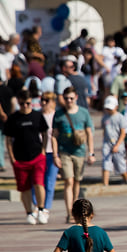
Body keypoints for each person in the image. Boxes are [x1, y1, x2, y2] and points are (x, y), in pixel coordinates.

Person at [4, 89, 49, 225]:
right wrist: (12, 158)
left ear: (31, 102)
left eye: (28, 103)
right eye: (22, 103)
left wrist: (43, 151)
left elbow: (45, 133)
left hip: (37, 156)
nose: (25, 106)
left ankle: (41, 209)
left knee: (38, 183)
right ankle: (29, 212)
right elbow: (8, 139)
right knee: (24, 187)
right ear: (18, 102)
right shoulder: (12, 118)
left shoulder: (37, 116)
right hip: (20, 159)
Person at [53, 87, 94, 222]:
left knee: (76, 181)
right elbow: (54, 136)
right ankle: (70, 213)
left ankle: (74, 210)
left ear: (76, 97)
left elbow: (89, 133)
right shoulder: (59, 114)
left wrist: (91, 153)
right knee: (68, 181)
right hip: (65, 151)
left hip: (80, 152)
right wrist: (55, 155)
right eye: (66, 99)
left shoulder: (83, 113)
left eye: (71, 98)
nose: (69, 101)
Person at [100, 95, 127, 186]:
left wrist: (117, 145)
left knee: (120, 165)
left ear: (116, 107)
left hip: (118, 144)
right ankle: (105, 184)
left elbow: (123, 132)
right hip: (107, 143)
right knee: (106, 163)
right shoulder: (105, 117)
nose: (109, 110)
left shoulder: (120, 117)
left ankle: (126, 180)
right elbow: (104, 130)